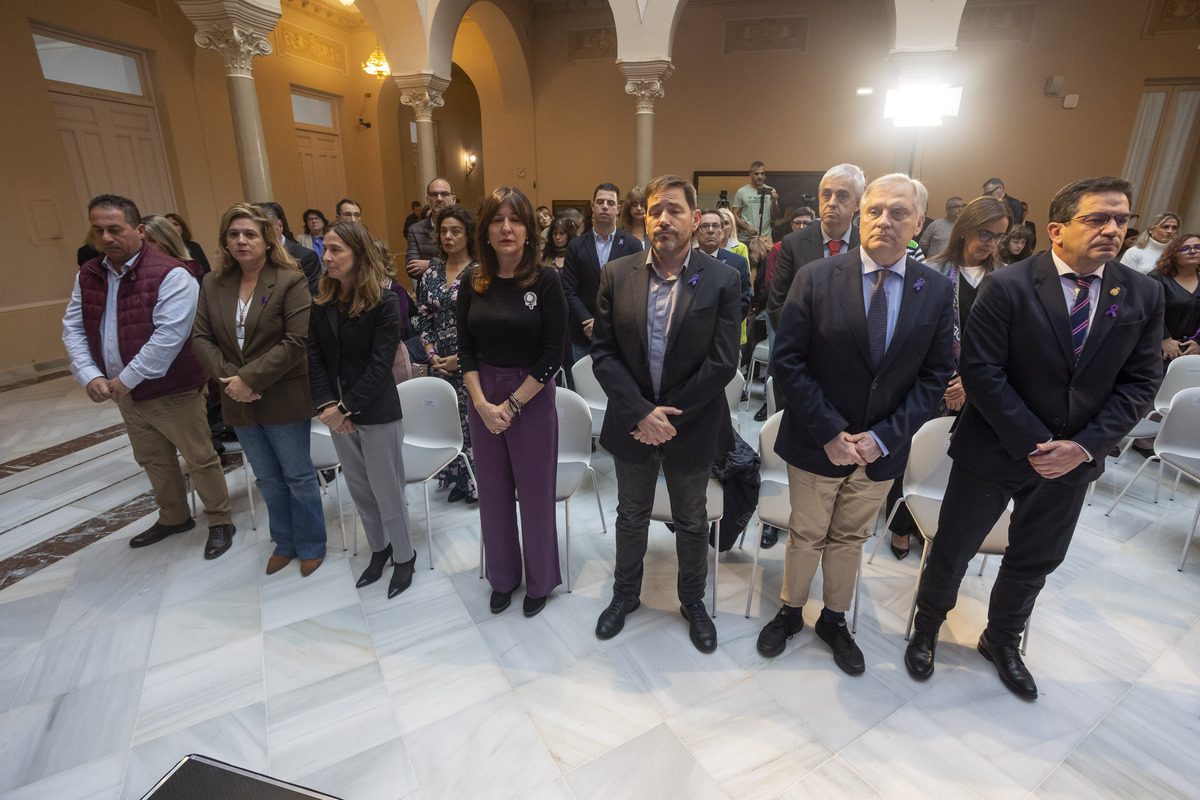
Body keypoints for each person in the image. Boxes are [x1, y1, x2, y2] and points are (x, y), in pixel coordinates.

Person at [906, 177, 1164, 700]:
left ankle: (1002, 640)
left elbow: (1141, 382)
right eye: (1097, 218)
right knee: (954, 546)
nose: (1112, 229)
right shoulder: (1011, 285)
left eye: (1121, 219)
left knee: (1036, 556)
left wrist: (1084, 446)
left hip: (1073, 460)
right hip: (996, 447)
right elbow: (981, 371)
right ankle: (928, 627)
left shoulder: (1141, 293)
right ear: (1057, 228)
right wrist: (1033, 442)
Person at [757, 173, 954, 675]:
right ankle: (790, 610)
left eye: (899, 212)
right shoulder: (817, 276)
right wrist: (829, 431)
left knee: (848, 539)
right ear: (861, 216)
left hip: (882, 450)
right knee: (806, 534)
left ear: (919, 223)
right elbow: (790, 361)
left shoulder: (934, 289)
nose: (885, 221)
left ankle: (835, 619)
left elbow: (934, 377)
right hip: (818, 441)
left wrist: (884, 436)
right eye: (876, 210)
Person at [591, 174, 741, 654]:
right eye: (655, 210)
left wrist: (668, 415)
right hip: (632, 422)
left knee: (692, 519)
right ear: (643, 217)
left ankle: (692, 601)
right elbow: (603, 354)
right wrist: (641, 413)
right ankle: (624, 595)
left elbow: (723, 362)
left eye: (674, 210)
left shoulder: (723, 278)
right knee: (631, 514)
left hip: (692, 423)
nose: (663, 219)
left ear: (695, 219)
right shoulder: (618, 274)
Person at [63, 194, 234, 557]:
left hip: (172, 388)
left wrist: (124, 379)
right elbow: (74, 328)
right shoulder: (89, 273)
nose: (106, 238)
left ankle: (220, 520)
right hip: (123, 392)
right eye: (98, 230)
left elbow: (168, 338)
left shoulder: (172, 273)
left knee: (199, 457)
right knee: (153, 458)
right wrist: (89, 374)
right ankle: (173, 517)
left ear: (139, 230)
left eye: (115, 229)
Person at [191, 203, 326, 576]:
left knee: (297, 475)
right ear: (224, 241)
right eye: (233, 234)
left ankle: (312, 542)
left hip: (282, 395)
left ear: (267, 239)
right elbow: (201, 338)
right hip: (237, 399)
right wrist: (233, 382)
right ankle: (284, 541)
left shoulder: (289, 279)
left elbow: (296, 342)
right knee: (266, 477)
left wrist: (249, 379)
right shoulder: (212, 283)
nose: (241, 241)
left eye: (250, 233)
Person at [458, 186, 567, 617]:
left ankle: (540, 581)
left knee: (535, 493)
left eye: (516, 219)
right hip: (482, 393)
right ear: (484, 230)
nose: (506, 228)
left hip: (532, 397)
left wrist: (513, 405)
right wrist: (483, 404)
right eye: (497, 220)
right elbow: (466, 349)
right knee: (494, 493)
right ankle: (503, 577)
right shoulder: (473, 281)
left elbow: (552, 356)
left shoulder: (545, 280)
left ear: (528, 230)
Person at [886, 195, 1012, 559]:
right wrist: (942, 379)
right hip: (928, 383)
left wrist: (970, 384)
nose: (989, 242)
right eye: (983, 233)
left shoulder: (1005, 279)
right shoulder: (931, 270)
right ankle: (902, 525)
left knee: (957, 463)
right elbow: (911, 333)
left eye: (998, 236)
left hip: (981, 389)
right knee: (914, 454)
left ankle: (946, 524)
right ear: (964, 230)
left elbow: (1007, 344)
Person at [308, 221, 418, 598]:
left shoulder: (385, 303)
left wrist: (344, 408)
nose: (327, 257)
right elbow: (315, 357)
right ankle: (379, 548)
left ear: (358, 254)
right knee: (359, 488)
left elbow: (379, 365)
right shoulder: (322, 301)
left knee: (388, 490)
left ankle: (404, 556)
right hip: (336, 411)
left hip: (375, 410)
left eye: (336, 249)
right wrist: (326, 405)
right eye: (326, 249)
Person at [417, 205, 479, 503]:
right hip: (439, 363)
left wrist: (459, 359)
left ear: (468, 235)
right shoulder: (431, 273)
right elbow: (424, 318)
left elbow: (484, 324)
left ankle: (475, 484)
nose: (448, 236)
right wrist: (431, 355)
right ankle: (454, 478)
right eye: (443, 231)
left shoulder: (480, 273)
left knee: (471, 422)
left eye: (455, 231)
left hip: (470, 361)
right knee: (447, 422)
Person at [767, 164, 866, 332]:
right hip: (803, 347)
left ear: (856, 204)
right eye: (826, 194)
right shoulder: (793, 244)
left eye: (842, 196)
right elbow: (777, 304)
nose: (831, 203)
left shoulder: (867, 245)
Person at [561, 183, 644, 362]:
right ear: (592, 206)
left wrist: (605, 323)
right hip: (583, 334)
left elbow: (636, 292)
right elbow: (570, 291)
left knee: (618, 388)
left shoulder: (632, 246)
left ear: (619, 209)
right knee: (583, 388)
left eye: (610, 203)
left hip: (620, 335)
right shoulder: (576, 246)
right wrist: (589, 322)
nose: (605, 206)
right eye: (600, 202)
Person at [1148, 232, 1200, 362]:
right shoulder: (1157, 279)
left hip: (1192, 352)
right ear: (1173, 255)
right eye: (1185, 248)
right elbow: (1146, 312)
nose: (1193, 251)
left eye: (1198, 247)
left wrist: (1198, 342)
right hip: (1155, 348)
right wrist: (1164, 339)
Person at [254, 202, 322, 295]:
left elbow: (312, 299)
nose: (262, 237)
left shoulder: (305, 257)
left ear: (280, 226)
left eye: (266, 231)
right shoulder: (249, 258)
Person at [695, 209, 752, 319]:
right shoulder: (687, 261)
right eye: (705, 226)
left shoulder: (738, 263)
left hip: (725, 330)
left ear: (722, 232)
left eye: (716, 226)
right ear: (696, 232)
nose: (710, 231)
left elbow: (742, 303)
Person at [406, 178, 457, 281]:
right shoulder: (415, 230)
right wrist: (446, 266)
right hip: (428, 294)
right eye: (434, 194)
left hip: (458, 292)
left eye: (444, 194)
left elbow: (465, 265)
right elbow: (412, 269)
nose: (439, 198)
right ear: (427, 200)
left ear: (453, 200)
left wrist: (429, 264)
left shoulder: (464, 228)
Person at [733, 161, 780, 244]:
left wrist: (773, 202)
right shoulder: (742, 192)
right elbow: (734, 214)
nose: (759, 177)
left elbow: (776, 216)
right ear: (750, 174)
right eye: (756, 174)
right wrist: (746, 227)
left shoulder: (771, 191)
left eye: (762, 174)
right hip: (746, 239)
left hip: (765, 239)